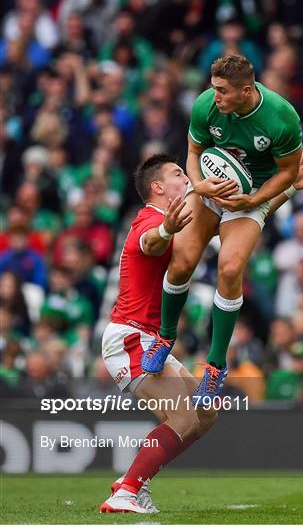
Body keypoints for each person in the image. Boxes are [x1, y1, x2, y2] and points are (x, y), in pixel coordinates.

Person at [141, 54, 303, 405]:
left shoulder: (281, 116)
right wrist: (199, 185)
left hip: (251, 196)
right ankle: (166, 337)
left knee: (229, 269)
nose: (215, 97)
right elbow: (194, 150)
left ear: (246, 90)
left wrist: (254, 199)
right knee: (181, 261)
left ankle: (214, 365)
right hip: (211, 187)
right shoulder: (205, 105)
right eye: (213, 89)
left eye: (223, 92)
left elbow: (288, 172)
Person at [99, 154, 218, 514]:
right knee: (182, 419)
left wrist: (286, 186)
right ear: (158, 187)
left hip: (149, 340)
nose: (186, 177)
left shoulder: (177, 221)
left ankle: (134, 481)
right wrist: (167, 229)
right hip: (132, 338)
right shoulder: (149, 220)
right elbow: (151, 242)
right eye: (178, 173)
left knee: (205, 413)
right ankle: (127, 492)